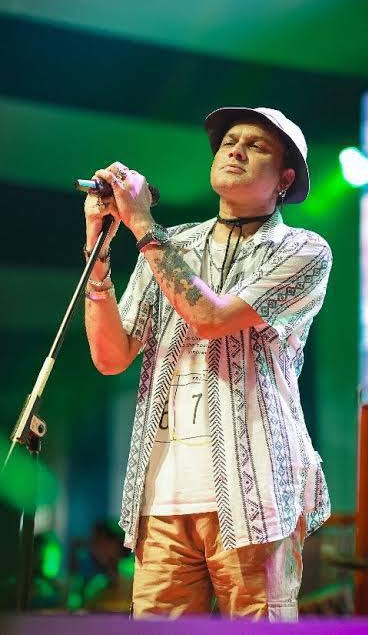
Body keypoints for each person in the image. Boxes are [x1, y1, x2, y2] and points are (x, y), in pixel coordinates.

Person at [83, 106, 332, 622]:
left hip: (257, 494)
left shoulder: (303, 250)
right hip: (162, 496)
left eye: (255, 146)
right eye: (228, 142)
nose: (235, 150)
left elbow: (210, 317)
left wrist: (143, 225)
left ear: (285, 180)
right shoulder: (170, 245)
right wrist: (99, 251)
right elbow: (111, 357)